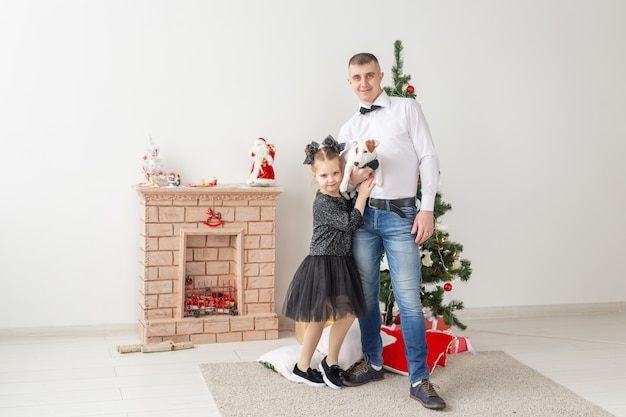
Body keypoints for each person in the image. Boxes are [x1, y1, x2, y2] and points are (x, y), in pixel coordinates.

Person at [337, 53, 446, 409]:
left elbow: (428, 156)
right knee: (366, 296)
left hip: (402, 215)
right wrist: (349, 181)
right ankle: (374, 361)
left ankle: (419, 378)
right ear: (350, 82)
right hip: (364, 218)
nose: (364, 83)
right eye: (357, 77)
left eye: (370, 75)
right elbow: (341, 185)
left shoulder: (406, 108)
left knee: (409, 300)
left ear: (380, 76)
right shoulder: (349, 127)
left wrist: (426, 207)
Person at [284, 135, 375, 389]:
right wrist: (363, 195)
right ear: (315, 177)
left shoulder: (341, 196)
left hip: (341, 261)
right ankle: (302, 367)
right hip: (323, 262)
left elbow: (347, 206)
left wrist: (355, 189)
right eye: (324, 176)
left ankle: (330, 361)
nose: (331, 180)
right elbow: (349, 223)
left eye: (335, 173)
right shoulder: (323, 201)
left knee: (347, 313)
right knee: (319, 317)